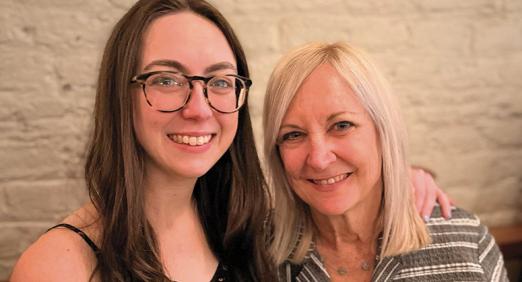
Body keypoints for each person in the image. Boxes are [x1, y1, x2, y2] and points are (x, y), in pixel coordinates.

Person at [9, 1, 450, 281]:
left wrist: (401, 175)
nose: (199, 107)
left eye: (220, 81)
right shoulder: (61, 265)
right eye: (167, 79)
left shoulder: (244, 225)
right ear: (119, 96)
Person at [263, 42, 508, 281]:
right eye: (293, 134)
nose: (318, 159)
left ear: (384, 132)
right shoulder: (254, 252)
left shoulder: (466, 242)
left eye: (341, 125)